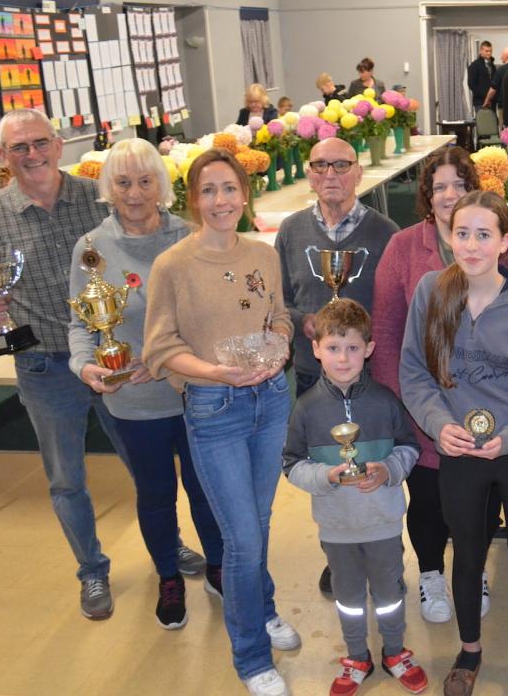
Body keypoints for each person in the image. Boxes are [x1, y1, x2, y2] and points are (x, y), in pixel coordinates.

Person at [0, 109, 207, 621]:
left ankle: (170, 549)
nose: (31, 154)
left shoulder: (98, 194)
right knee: (66, 478)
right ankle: (91, 569)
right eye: (18, 148)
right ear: (1, 158)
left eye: (39, 143)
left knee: (147, 470)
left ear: (57, 145)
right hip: (43, 365)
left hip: (117, 366)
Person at [143, 148, 300, 696]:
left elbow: (278, 314)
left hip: (271, 399)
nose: (220, 201)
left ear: (244, 194)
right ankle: (252, 656)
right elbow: (160, 348)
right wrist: (212, 371)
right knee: (240, 538)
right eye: (208, 191)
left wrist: (279, 345)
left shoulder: (263, 253)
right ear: (192, 199)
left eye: (229, 189)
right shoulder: (173, 266)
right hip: (215, 408)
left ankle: (266, 606)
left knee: (258, 524)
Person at [399, 191, 508, 696]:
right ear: (449, 236)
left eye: (483, 234)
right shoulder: (432, 293)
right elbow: (414, 373)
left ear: (504, 243)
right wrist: (436, 423)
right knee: (466, 555)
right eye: (461, 233)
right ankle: (469, 649)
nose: (470, 245)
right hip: (459, 452)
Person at [67, 138, 224, 630]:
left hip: (195, 391)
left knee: (206, 490)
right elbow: (81, 324)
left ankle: (219, 566)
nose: (135, 193)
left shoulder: (191, 236)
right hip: (134, 399)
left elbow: (213, 313)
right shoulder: (91, 248)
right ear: (107, 187)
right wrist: (85, 365)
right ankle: (169, 577)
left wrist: (172, 359)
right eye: (123, 182)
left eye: (145, 180)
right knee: (156, 494)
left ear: (163, 184)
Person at [371, 147, 508, 624]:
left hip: (490, 401)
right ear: (427, 194)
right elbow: (385, 330)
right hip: (424, 403)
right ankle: (431, 573)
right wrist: (403, 404)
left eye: (459, 185)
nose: (449, 195)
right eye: (439, 186)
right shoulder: (403, 248)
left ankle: (473, 566)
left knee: (482, 497)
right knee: (427, 497)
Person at [282, 299, 429, 696]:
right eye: (333, 348)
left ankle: (395, 651)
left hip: (382, 522)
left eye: (351, 348)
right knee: (347, 597)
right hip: (337, 527)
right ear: (315, 349)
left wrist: (387, 470)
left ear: (369, 348)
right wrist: (326, 477)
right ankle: (357, 656)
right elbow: (291, 464)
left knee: (389, 592)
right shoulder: (306, 408)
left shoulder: (384, 401)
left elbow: (409, 447)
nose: (342, 358)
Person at [275, 137, 399, 593]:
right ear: (308, 173)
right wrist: (300, 321)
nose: (331, 174)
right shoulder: (290, 231)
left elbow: (393, 303)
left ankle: (385, 550)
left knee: (375, 463)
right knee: (330, 465)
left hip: (370, 377)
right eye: (321, 165)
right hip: (315, 373)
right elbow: (278, 302)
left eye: (341, 165)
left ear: (358, 173)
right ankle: (338, 552)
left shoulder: (385, 232)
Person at [483, 43, 508, 117]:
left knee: (504, 127)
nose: (501, 57)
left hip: (504, 106)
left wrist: (486, 102)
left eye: (502, 55)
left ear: (506, 56)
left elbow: (492, 90)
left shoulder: (501, 70)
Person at [467, 40, 497, 112]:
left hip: (492, 102)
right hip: (480, 102)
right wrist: (486, 96)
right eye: (486, 51)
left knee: (492, 122)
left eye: (490, 51)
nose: (489, 53)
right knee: (482, 122)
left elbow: (494, 83)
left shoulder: (492, 66)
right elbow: (471, 84)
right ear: (481, 51)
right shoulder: (474, 65)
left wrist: (491, 97)